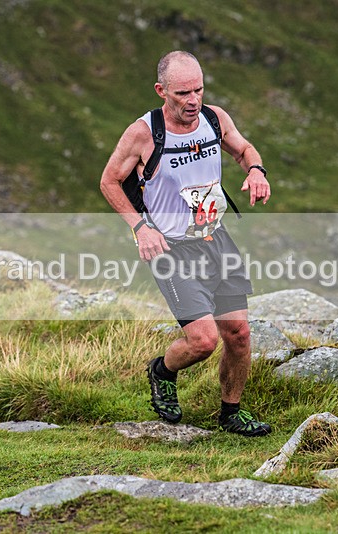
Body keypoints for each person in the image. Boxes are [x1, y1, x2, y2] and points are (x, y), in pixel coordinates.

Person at [100, 50, 272, 437]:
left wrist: (257, 171)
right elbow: (109, 181)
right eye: (182, 93)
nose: (193, 100)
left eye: (198, 89)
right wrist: (140, 227)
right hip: (171, 249)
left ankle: (231, 413)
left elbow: (244, 149)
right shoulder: (144, 132)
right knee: (204, 341)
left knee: (239, 336)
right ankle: (162, 370)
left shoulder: (214, 118)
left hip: (216, 239)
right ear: (162, 91)